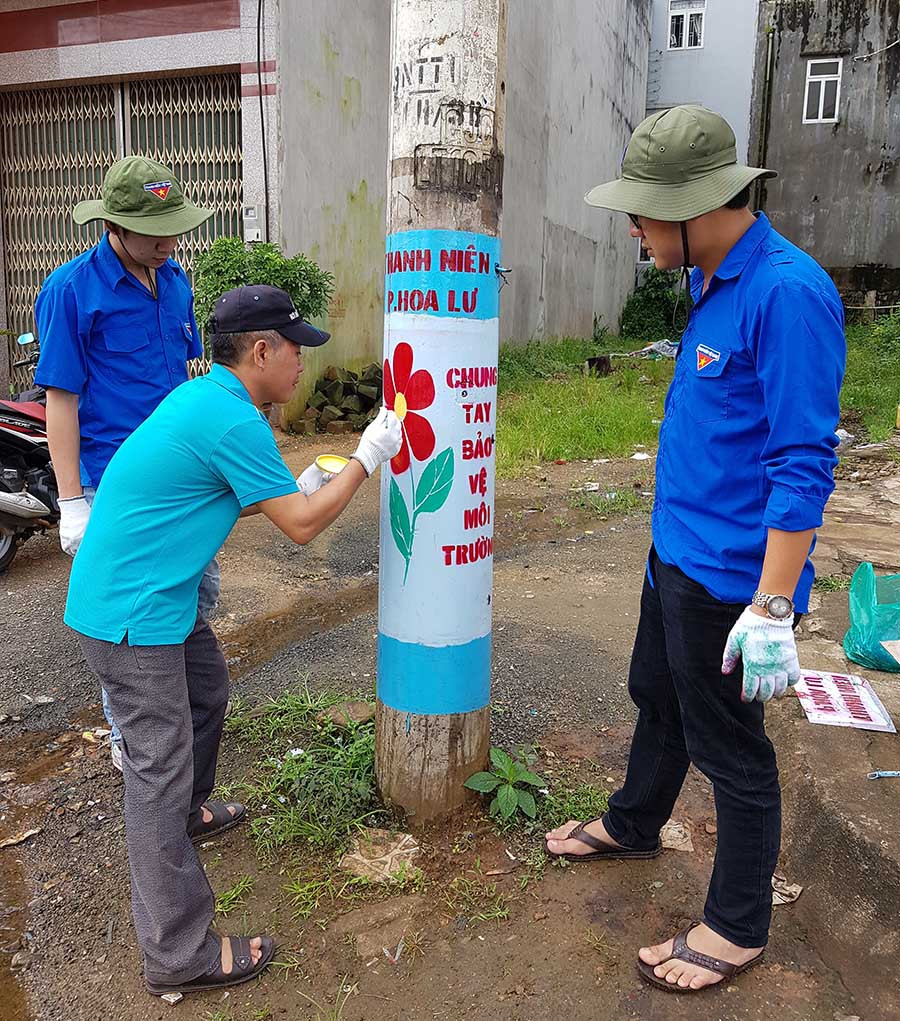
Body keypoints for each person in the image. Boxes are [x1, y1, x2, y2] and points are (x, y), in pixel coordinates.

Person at [544, 105, 845, 994]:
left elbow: (801, 462)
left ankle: (738, 922)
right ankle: (636, 821)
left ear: (700, 204)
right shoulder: (707, 276)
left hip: (731, 583)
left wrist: (773, 606)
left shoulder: (788, 295)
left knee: (733, 751)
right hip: (675, 552)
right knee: (657, 697)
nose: (632, 227)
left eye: (641, 211)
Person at [64, 283, 402, 996]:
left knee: (208, 689)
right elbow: (304, 526)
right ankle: (177, 951)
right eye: (295, 352)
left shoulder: (210, 399)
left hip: (150, 596)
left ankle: (189, 808)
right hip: (132, 616)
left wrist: (301, 483)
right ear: (260, 350)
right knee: (155, 769)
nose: (302, 366)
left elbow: (217, 496)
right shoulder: (233, 421)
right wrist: (367, 457)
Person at [34, 155, 219, 770]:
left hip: (181, 477)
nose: (170, 241)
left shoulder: (175, 281)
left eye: (175, 228)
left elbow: (185, 377)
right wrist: (71, 502)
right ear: (113, 225)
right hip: (111, 477)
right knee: (127, 616)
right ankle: (133, 732)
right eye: (155, 230)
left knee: (192, 595)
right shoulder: (70, 290)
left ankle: (179, 713)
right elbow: (62, 398)